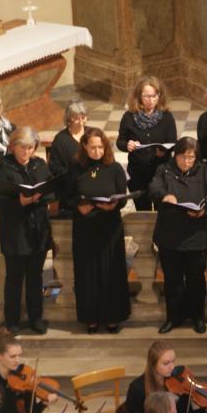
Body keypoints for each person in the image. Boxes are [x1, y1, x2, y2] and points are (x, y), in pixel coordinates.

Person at [149, 137, 207, 335]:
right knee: (172, 281)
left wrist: (205, 210)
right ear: (176, 154)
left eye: (191, 157)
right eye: (183, 156)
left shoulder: (205, 171)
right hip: (170, 236)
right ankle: (173, 317)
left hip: (196, 236)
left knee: (196, 281)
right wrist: (164, 195)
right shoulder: (164, 170)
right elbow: (154, 188)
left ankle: (197, 317)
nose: (187, 161)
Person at [66, 127, 131, 334]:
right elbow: (66, 196)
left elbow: (122, 197)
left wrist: (113, 205)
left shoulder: (115, 168)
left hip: (109, 228)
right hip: (84, 228)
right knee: (88, 273)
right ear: (84, 147)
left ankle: (113, 318)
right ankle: (91, 318)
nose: (97, 151)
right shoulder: (76, 168)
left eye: (101, 147)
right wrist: (78, 206)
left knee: (111, 272)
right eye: (93, 147)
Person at [0, 126, 54, 335]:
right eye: (22, 147)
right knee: (14, 277)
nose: (26, 152)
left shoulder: (39, 165)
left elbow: (51, 192)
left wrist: (38, 197)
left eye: (30, 147)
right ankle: (12, 321)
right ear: (13, 146)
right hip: (15, 231)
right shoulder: (3, 167)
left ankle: (36, 318)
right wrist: (19, 202)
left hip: (38, 230)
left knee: (36, 277)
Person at [117, 76, 177, 212]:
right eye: (147, 96)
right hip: (138, 174)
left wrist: (164, 151)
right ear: (139, 96)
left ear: (159, 96)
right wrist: (127, 145)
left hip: (161, 173)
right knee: (143, 212)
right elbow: (120, 142)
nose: (151, 100)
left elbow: (173, 142)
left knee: (162, 211)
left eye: (154, 96)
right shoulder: (129, 117)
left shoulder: (166, 117)